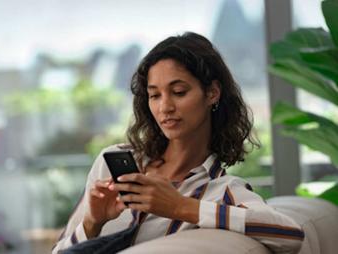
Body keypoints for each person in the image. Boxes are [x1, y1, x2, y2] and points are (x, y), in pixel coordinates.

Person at [52, 32, 304, 254]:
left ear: (212, 93)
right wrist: (92, 223)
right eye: (154, 95)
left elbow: (290, 236)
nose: (165, 107)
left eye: (179, 92)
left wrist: (180, 206)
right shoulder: (112, 162)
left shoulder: (223, 190)